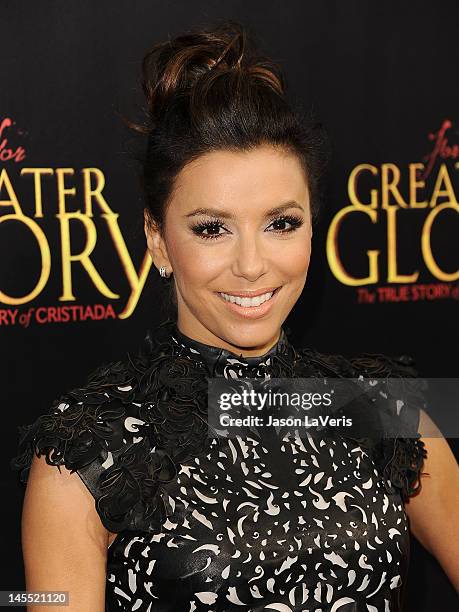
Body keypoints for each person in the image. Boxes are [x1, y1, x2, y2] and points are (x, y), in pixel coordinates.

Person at [11, 20, 459, 612]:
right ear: (158, 241)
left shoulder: (389, 410)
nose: (252, 265)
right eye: (211, 228)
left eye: (281, 223)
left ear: (312, 230)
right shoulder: (86, 455)